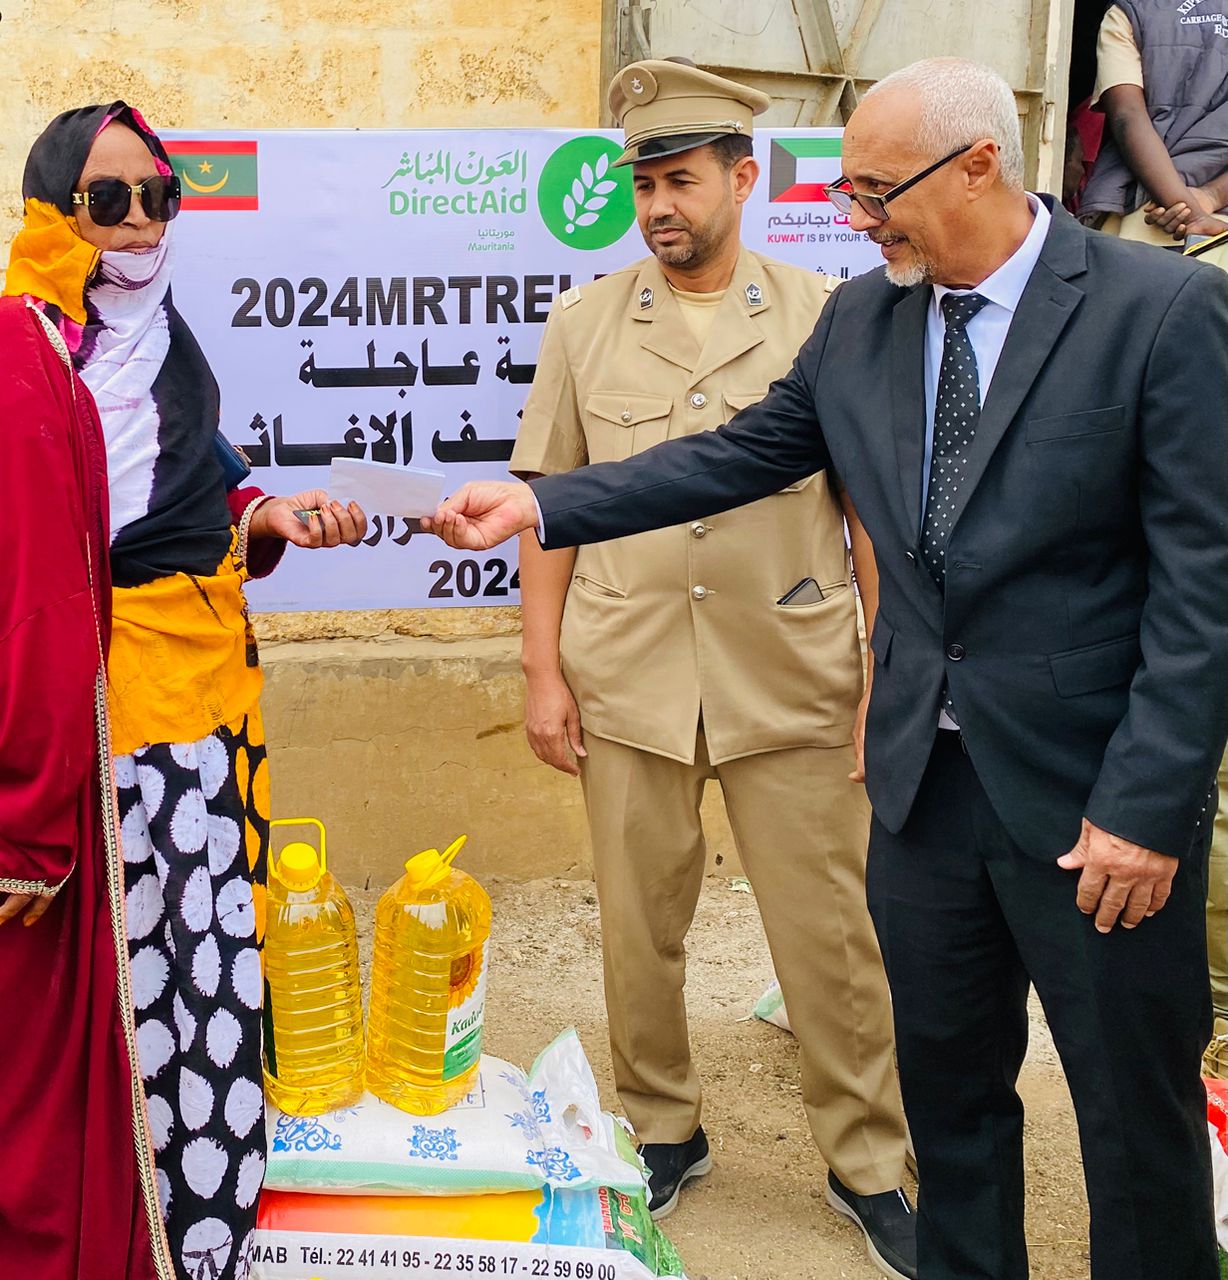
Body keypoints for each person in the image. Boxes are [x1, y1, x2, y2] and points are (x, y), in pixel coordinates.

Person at [424, 57, 1228, 1280]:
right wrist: (541, 507)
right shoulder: (863, 321)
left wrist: (1146, 805)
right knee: (952, 1103)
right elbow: (734, 454)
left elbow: (1202, 584)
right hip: (922, 792)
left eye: (874, 191)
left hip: (1089, 804)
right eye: (848, 193)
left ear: (977, 166)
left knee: (1130, 1118)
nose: (856, 218)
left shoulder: (1157, 311)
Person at [510, 58, 914, 1278]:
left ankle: (867, 1158)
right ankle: (661, 1124)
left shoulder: (825, 315)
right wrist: (541, 671)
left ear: (745, 179)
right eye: (644, 186)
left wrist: (882, 668)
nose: (658, 207)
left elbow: (868, 513)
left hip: (789, 668)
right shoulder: (585, 323)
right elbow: (549, 509)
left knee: (830, 929)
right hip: (628, 667)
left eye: (680, 181)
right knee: (638, 924)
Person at [0, 102, 366, 1280]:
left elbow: (195, 484)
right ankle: (130, 1225)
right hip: (106, 722)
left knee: (208, 965)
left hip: (205, 708)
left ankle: (203, 1224)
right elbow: (38, 572)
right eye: (107, 199)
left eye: (158, 195)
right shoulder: (29, 358)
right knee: (129, 984)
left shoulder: (160, 338)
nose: (140, 220)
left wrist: (268, 517)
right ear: (55, 210)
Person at [1079, 0, 1228, 244]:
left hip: (1143, 212)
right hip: (1216, 223)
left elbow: (1127, 116)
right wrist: (1211, 196)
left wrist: (1188, 210)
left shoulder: (1130, 12)